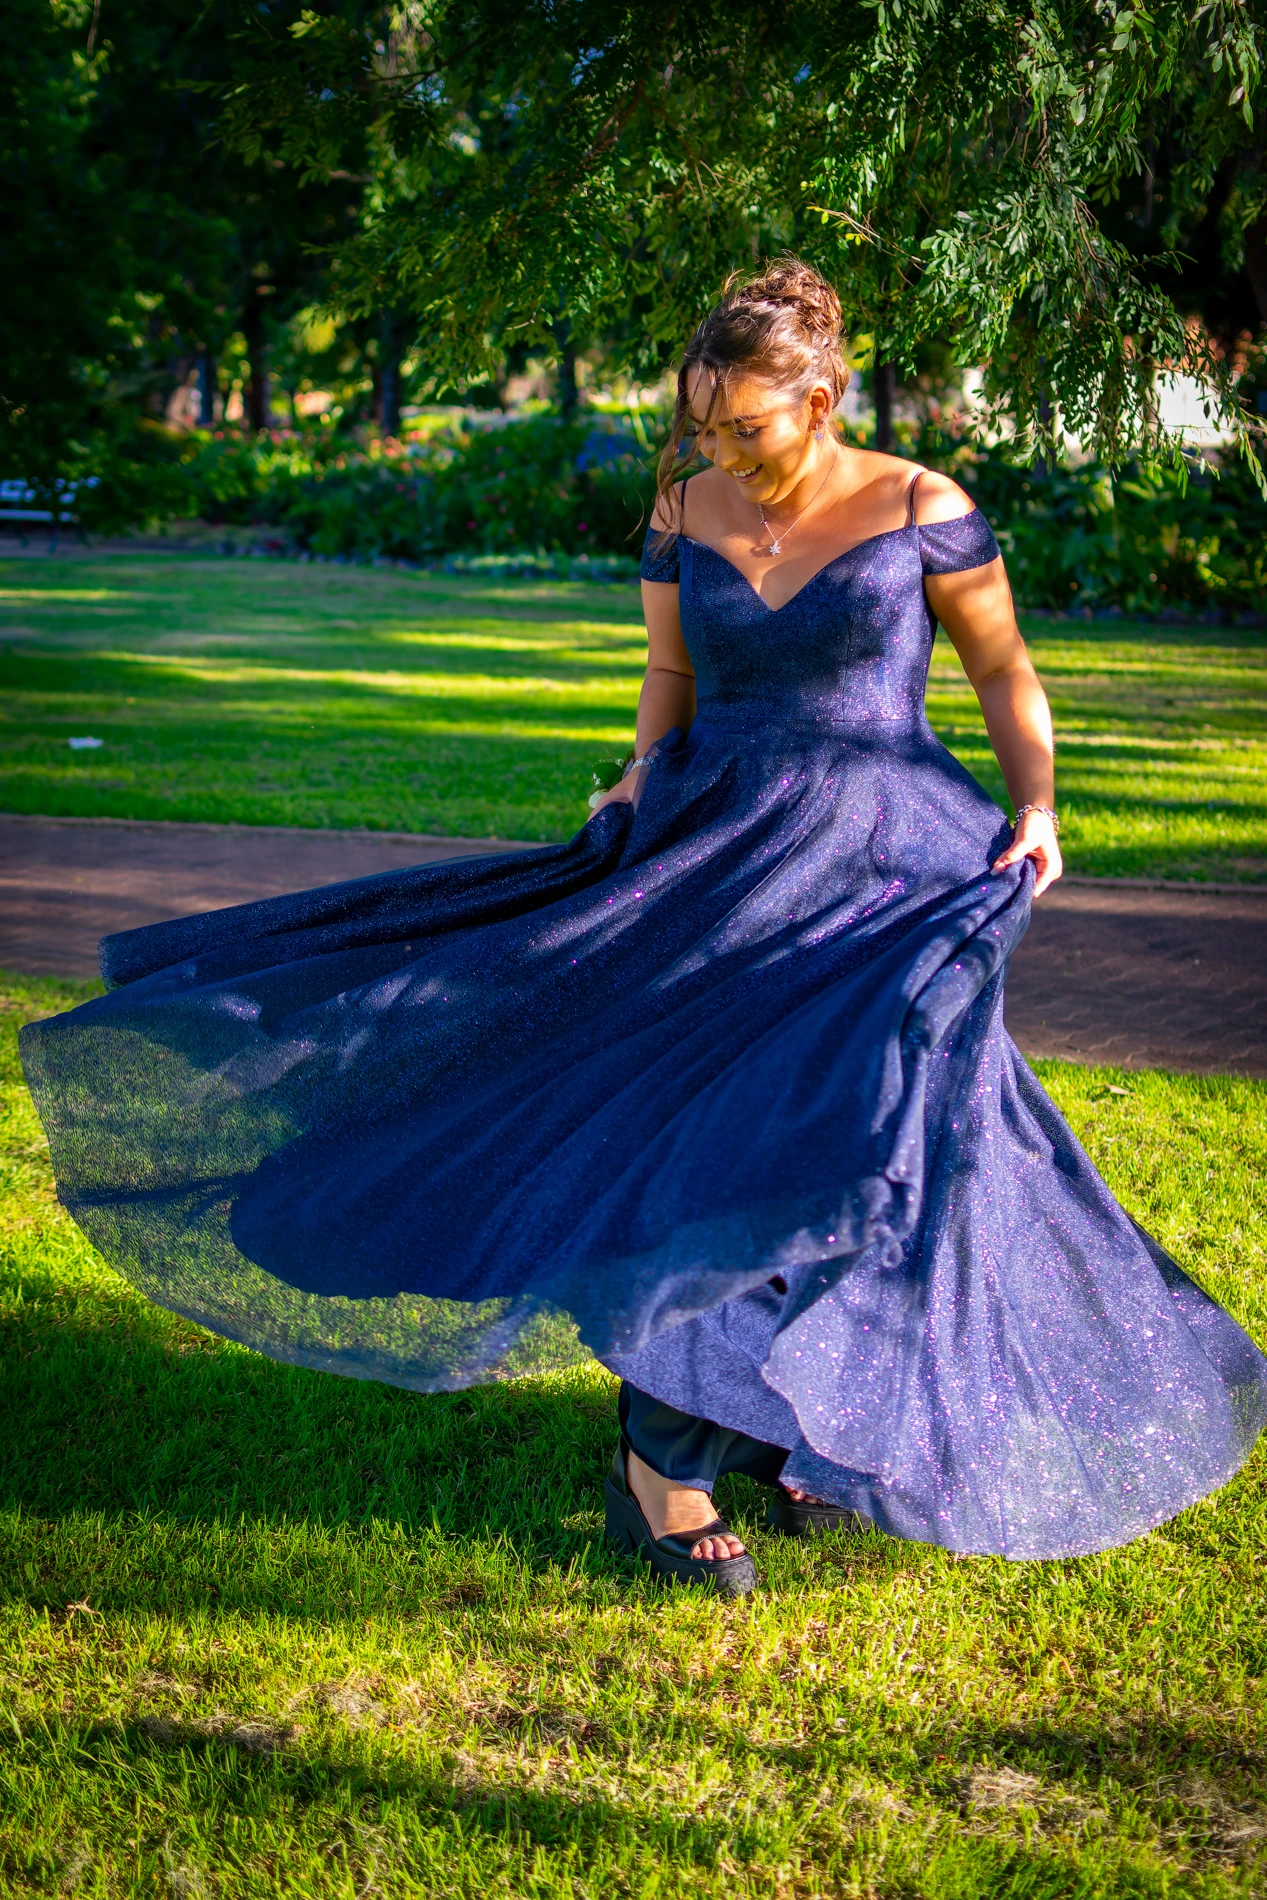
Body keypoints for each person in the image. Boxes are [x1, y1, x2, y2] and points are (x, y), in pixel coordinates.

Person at [21, 261, 1267, 1598]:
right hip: (708, 848)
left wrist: (1037, 805)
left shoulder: (922, 505)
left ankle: (793, 1431)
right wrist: (635, 774)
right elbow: (670, 669)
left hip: (887, 861)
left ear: (819, 396)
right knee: (683, 1128)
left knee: (877, 1132)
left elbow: (1001, 668)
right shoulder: (685, 508)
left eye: (749, 426)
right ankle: (663, 1469)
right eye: (703, 426)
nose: (723, 448)